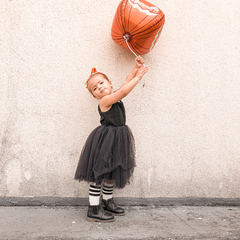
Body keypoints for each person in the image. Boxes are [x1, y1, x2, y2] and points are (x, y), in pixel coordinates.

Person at [75, 56, 148, 222]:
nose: (99, 88)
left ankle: (107, 202)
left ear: (110, 83)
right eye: (94, 88)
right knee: (100, 174)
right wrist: (139, 77)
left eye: (101, 83)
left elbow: (125, 83)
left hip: (117, 140)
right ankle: (93, 208)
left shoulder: (114, 95)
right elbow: (124, 90)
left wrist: (135, 68)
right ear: (94, 96)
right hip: (106, 141)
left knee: (111, 173)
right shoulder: (106, 101)